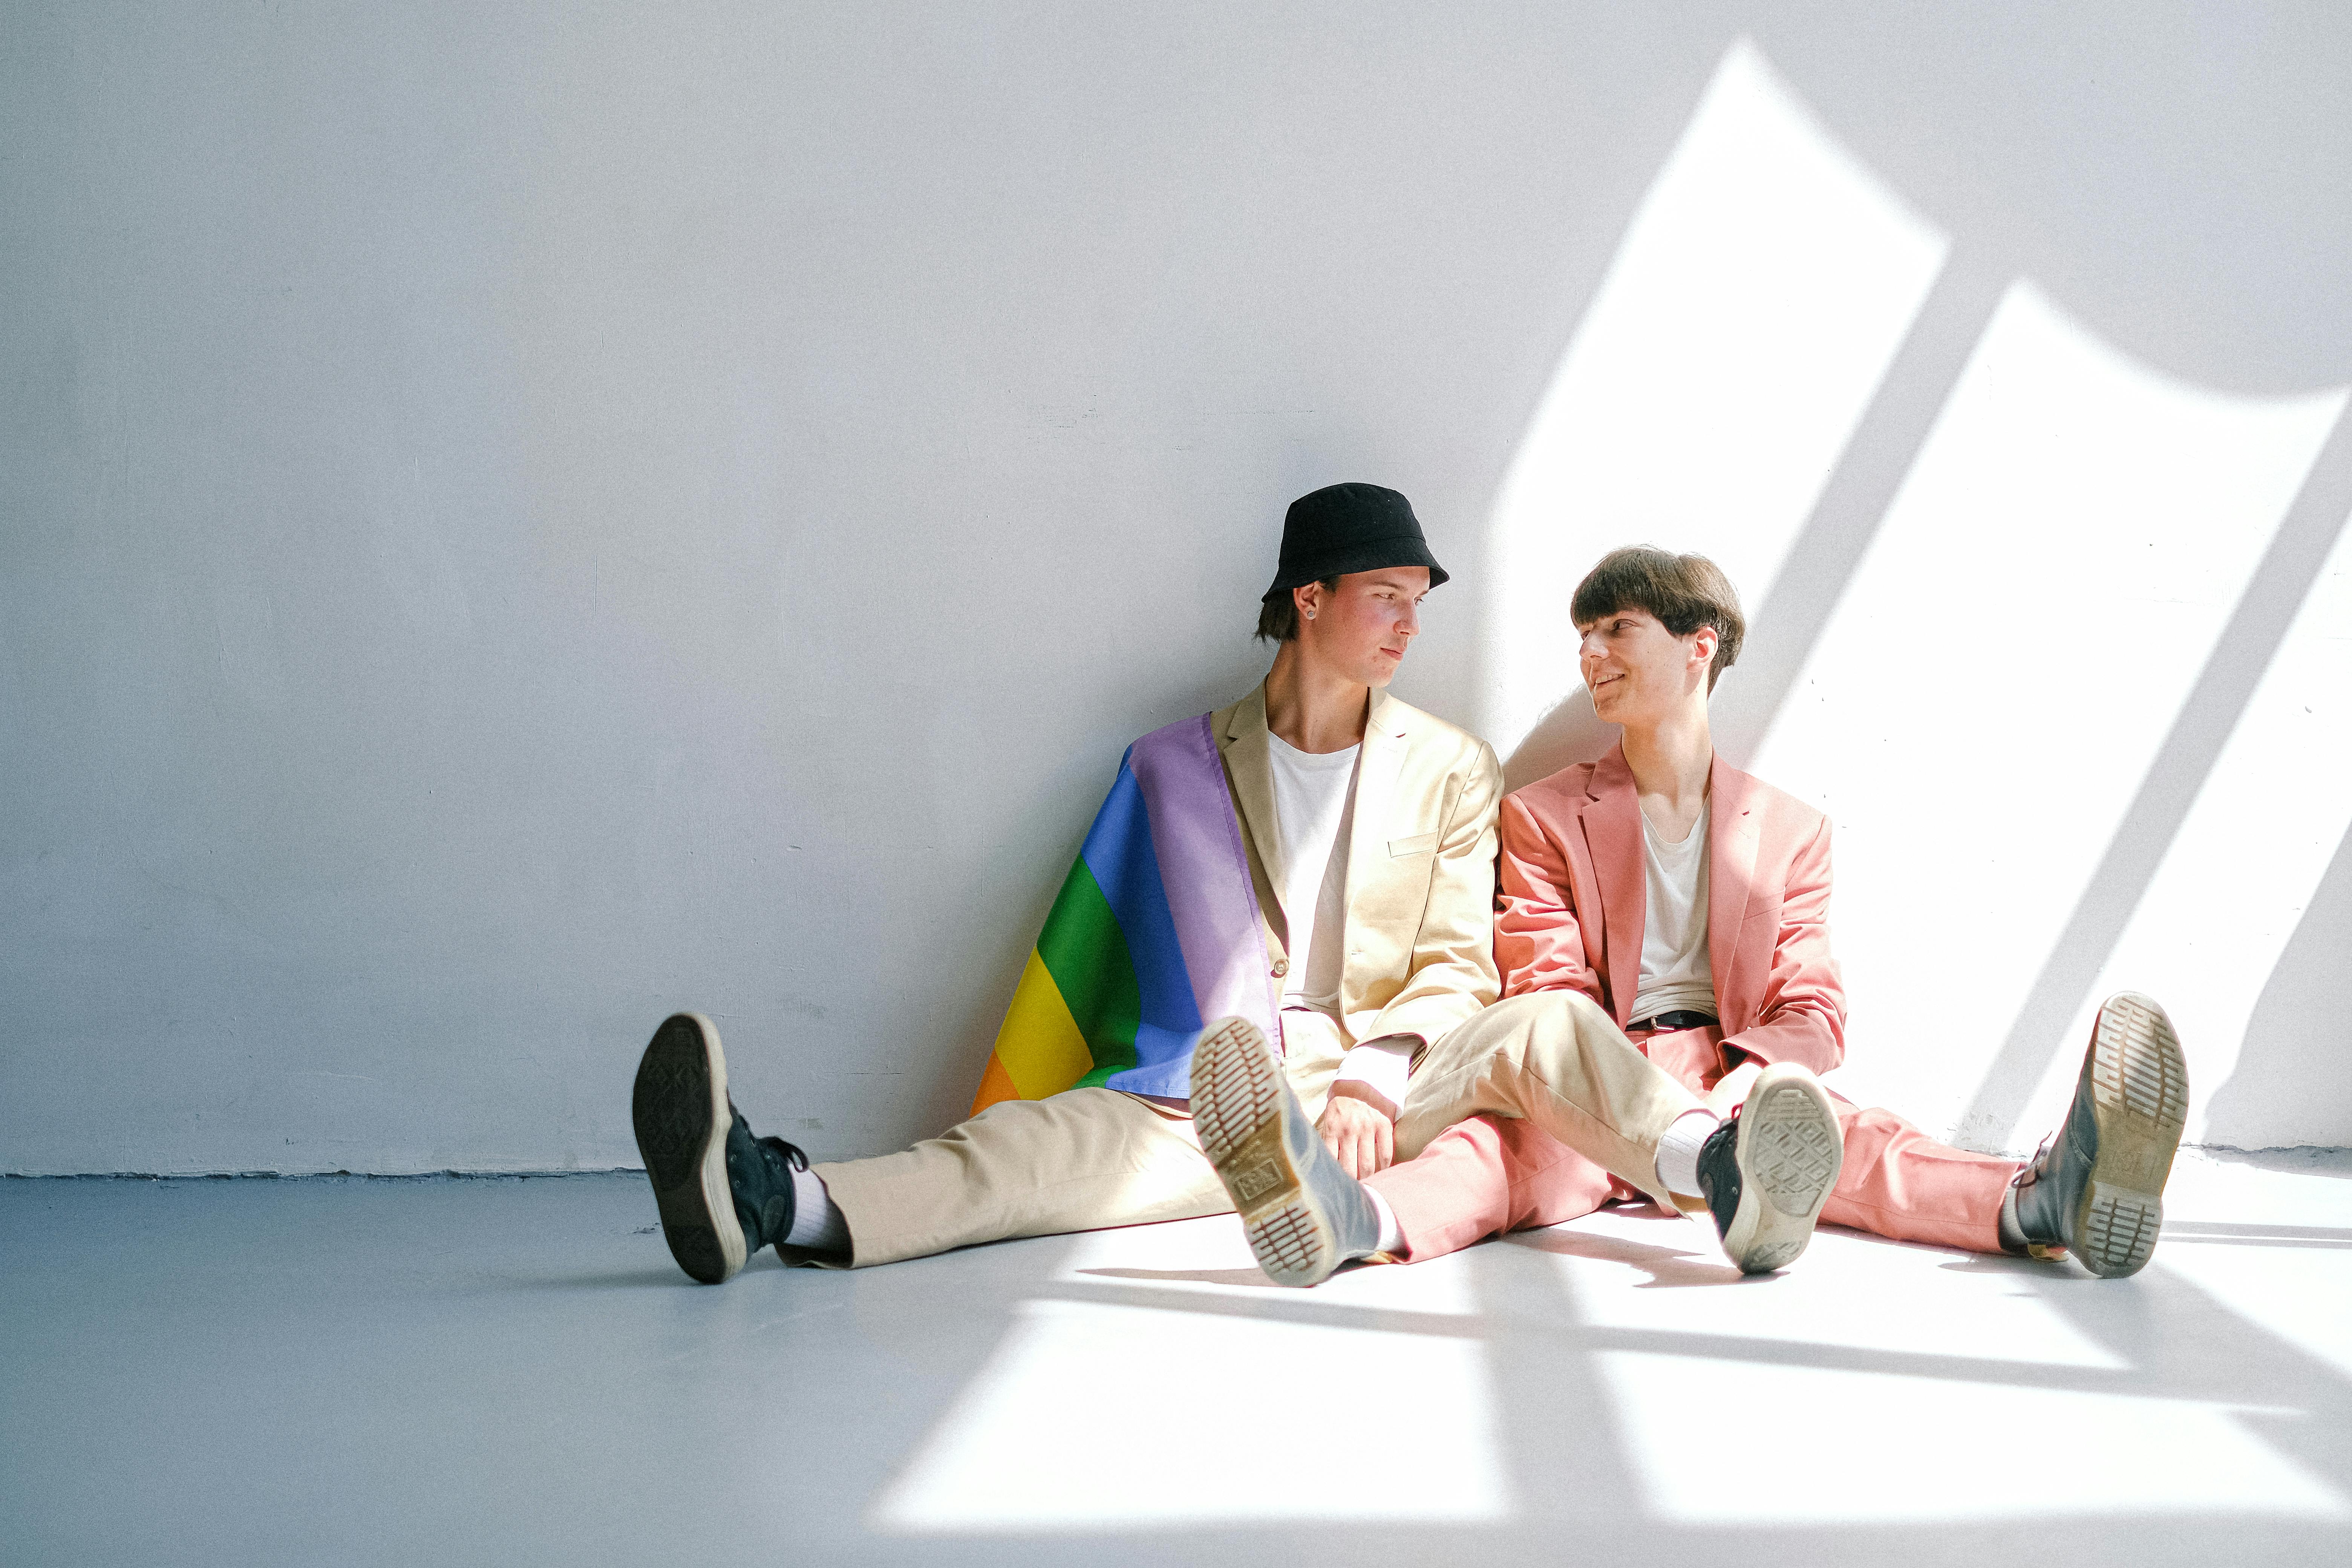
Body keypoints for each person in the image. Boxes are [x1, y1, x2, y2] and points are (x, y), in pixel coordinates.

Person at [1193, 546, 2189, 1285]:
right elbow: (1546, 989)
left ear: (1698, 644)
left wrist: (1744, 1089)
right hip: (1596, 1073)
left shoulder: (1791, 831)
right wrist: (1658, 1098)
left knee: (1861, 1142)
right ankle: (1345, 1215)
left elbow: (1813, 1004)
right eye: (1583, 639)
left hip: (1736, 1073)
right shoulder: (1542, 813)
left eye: (1614, 630)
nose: (1590, 657)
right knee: (1499, 1156)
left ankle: (2042, 1199)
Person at [630, 482, 1503, 1280]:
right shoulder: (1174, 765)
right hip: (1218, 1092)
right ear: (1309, 598)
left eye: (1417, 602)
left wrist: (1371, 1078)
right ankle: (775, 1198)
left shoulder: (1452, 766)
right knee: (1019, 1153)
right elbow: (1100, 937)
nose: (1411, 626)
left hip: (1384, 1089)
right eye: (1389, 597)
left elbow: (1460, 965)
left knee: (1536, 1054)